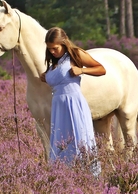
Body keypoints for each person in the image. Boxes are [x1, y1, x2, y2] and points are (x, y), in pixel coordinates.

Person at [40, 27, 106, 175]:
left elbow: (101, 69)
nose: (52, 52)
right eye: (49, 49)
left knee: (80, 138)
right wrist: (46, 77)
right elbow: (59, 79)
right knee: (61, 141)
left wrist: (81, 70)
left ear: (63, 43)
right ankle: (64, 176)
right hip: (58, 107)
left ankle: (88, 176)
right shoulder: (53, 63)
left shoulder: (75, 54)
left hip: (74, 104)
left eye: (55, 48)